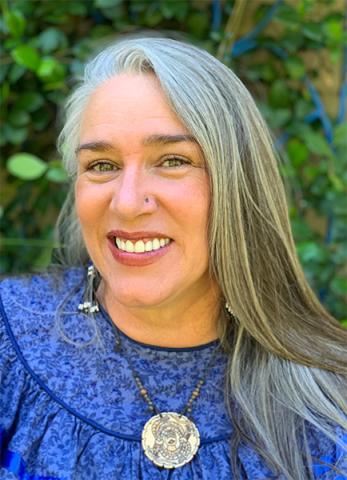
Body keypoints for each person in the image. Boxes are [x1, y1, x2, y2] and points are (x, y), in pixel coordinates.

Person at [0, 37, 346, 480]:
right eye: (101, 165)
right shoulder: (10, 343)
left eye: (172, 160)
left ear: (238, 187)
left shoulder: (330, 405)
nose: (127, 203)